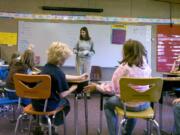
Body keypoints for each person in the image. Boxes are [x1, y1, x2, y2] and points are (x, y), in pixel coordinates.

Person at [84, 39, 151, 135]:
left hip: (129, 105)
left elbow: (111, 90)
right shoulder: (147, 67)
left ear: (126, 52)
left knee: (107, 104)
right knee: (134, 97)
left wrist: (97, 86)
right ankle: (127, 132)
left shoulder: (123, 68)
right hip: (145, 104)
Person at [31, 42, 88, 134]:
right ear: (61, 59)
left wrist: (79, 77)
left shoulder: (45, 68)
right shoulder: (58, 72)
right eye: (65, 59)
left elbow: (63, 76)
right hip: (48, 106)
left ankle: (43, 125)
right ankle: (53, 126)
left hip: (36, 104)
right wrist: (73, 88)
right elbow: (62, 94)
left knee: (53, 100)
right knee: (66, 103)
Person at [73, 26, 95, 98]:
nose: (82, 33)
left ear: (86, 32)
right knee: (79, 76)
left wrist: (88, 53)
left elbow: (93, 51)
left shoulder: (90, 41)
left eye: (83, 32)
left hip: (87, 60)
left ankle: (87, 92)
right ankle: (79, 93)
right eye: (81, 32)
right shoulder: (79, 40)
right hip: (79, 60)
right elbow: (74, 49)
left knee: (87, 76)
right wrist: (78, 52)